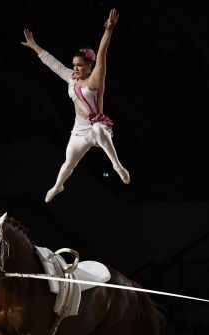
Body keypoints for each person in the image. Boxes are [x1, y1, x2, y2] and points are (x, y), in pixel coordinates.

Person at [20, 8, 130, 203]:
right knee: (68, 164)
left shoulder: (96, 79)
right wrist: (35, 46)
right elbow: (53, 64)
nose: (75, 68)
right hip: (78, 131)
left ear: (89, 65)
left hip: (97, 127)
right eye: (74, 65)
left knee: (98, 128)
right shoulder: (71, 78)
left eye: (79, 65)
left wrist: (109, 29)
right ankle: (57, 186)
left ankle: (118, 166)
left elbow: (103, 50)